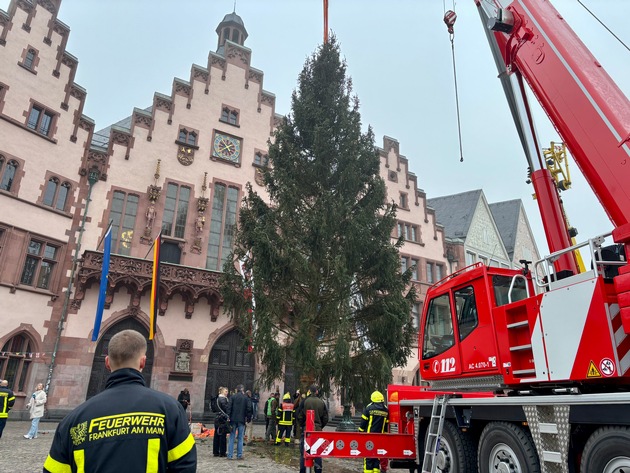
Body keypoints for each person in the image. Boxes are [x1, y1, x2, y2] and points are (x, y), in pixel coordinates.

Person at [43, 329, 196, 472]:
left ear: (107, 362)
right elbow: (185, 465)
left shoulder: (73, 420)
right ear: (143, 362)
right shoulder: (169, 410)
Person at [297, 384, 329, 473]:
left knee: (305, 452)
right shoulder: (321, 402)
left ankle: (303, 471)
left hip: (306, 430)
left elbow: (299, 415)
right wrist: (320, 426)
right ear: (317, 391)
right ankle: (318, 470)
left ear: (310, 391)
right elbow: (326, 417)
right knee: (318, 452)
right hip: (318, 431)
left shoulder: (305, 401)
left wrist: (303, 425)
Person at [359, 390, 389, 473]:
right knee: (377, 456)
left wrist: (360, 432)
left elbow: (363, 423)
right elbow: (386, 425)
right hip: (380, 438)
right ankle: (376, 471)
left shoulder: (369, 408)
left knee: (368, 457)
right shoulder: (386, 410)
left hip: (369, 437)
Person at [227, 384, 252, 460]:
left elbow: (229, 407)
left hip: (233, 419)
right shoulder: (245, 398)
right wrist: (248, 418)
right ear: (242, 390)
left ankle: (230, 455)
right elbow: (249, 408)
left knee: (232, 437)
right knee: (240, 437)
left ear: (236, 390)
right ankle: (239, 455)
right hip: (241, 419)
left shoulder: (232, 397)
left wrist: (228, 416)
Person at [213, 386, 230, 457]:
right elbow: (226, 409)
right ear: (222, 392)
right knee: (222, 435)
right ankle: (222, 452)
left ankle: (216, 451)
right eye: (226, 391)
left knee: (216, 435)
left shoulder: (217, 399)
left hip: (217, 418)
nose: (227, 393)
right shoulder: (223, 399)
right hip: (222, 419)